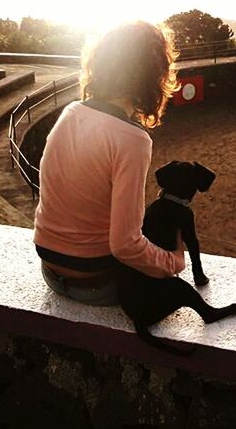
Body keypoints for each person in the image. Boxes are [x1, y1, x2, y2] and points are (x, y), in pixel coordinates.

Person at [34, 21, 185, 305]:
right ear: (152, 75)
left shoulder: (70, 112)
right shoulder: (133, 139)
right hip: (95, 283)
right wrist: (173, 263)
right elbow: (125, 245)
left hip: (50, 270)